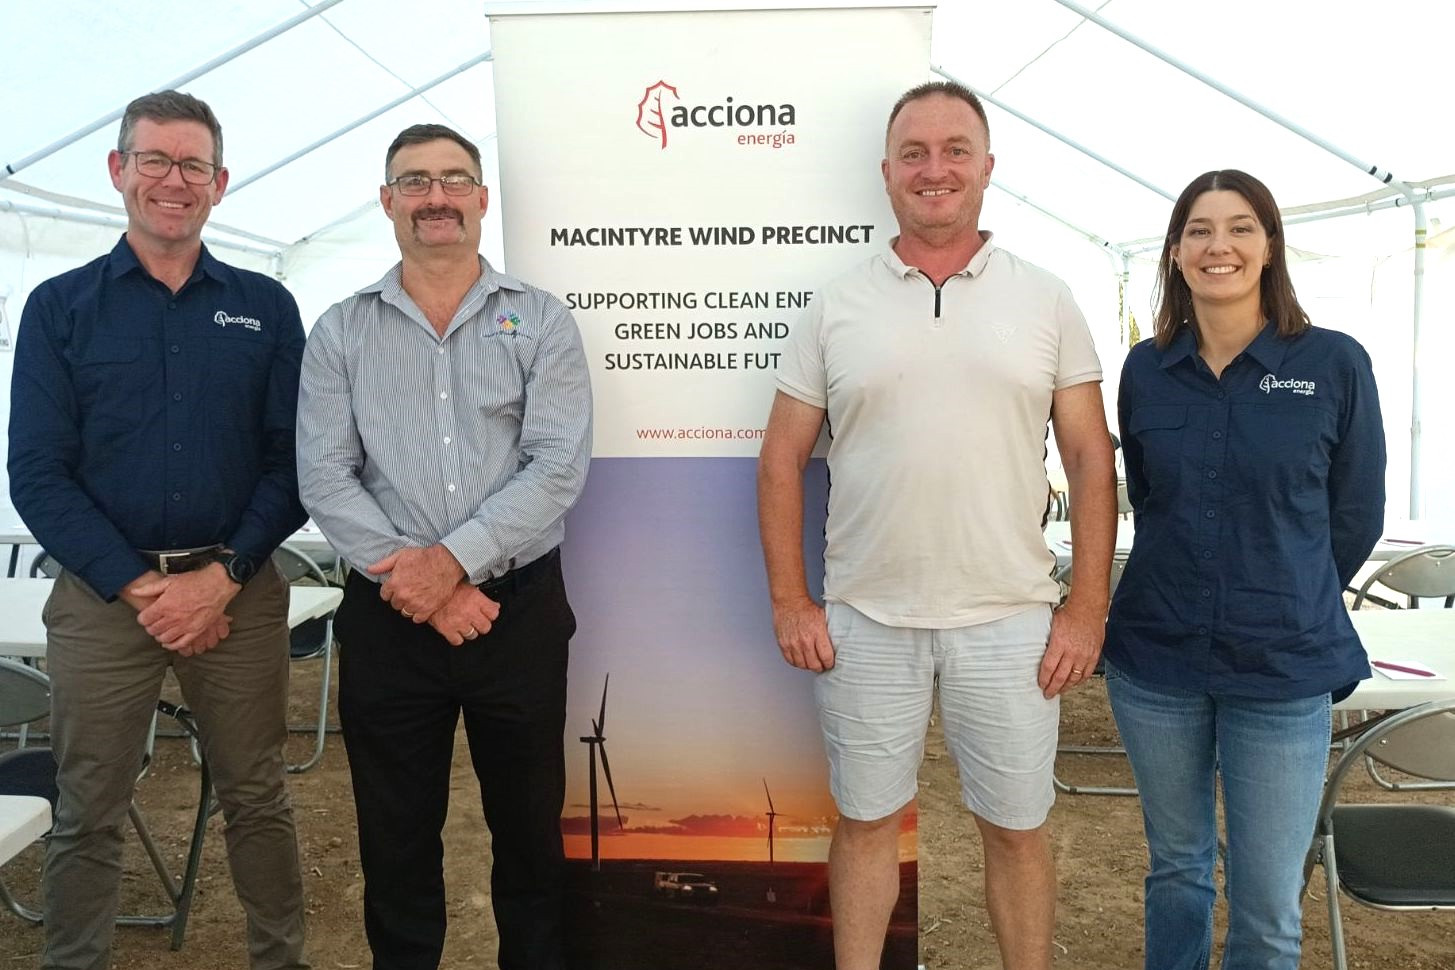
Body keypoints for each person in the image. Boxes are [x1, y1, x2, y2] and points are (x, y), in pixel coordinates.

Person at [757, 81, 1117, 970]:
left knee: (1017, 829)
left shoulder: (1047, 298)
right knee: (868, 822)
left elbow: (1088, 460)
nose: (934, 169)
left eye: (955, 149)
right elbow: (778, 460)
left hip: (1008, 620)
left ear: (987, 167)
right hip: (867, 620)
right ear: (886, 174)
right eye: (914, 153)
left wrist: (1085, 610)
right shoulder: (835, 305)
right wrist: (792, 602)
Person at [7, 90, 310, 970]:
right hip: (108, 601)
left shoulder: (267, 307)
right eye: (155, 161)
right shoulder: (61, 308)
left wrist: (223, 577)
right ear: (118, 171)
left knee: (257, 796)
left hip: (238, 594)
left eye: (193, 166)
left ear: (220, 183)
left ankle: (278, 958)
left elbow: (294, 460)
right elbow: (36, 471)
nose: (173, 181)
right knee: (88, 805)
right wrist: (148, 590)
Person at [296, 123, 591, 970]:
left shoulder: (539, 320)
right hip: (389, 622)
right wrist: (415, 580)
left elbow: (556, 464)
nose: (436, 197)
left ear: (481, 199)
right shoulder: (341, 331)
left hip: (518, 612)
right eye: (415, 182)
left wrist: (449, 566)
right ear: (387, 201)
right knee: (395, 846)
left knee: (531, 840)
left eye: (454, 180)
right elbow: (324, 474)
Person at [1104, 169, 1386, 970]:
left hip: (1281, 665)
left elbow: (1354, 512)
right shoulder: (1144, 369)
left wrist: (1286, 592)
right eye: (1198, 229)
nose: (1217, 245)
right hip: (1156, 661)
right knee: (1179, 873)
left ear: (1268, 247)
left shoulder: (1331, 363)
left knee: (1265, 907)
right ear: (1174, 252)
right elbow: (1151, 499)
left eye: (1238, 227)